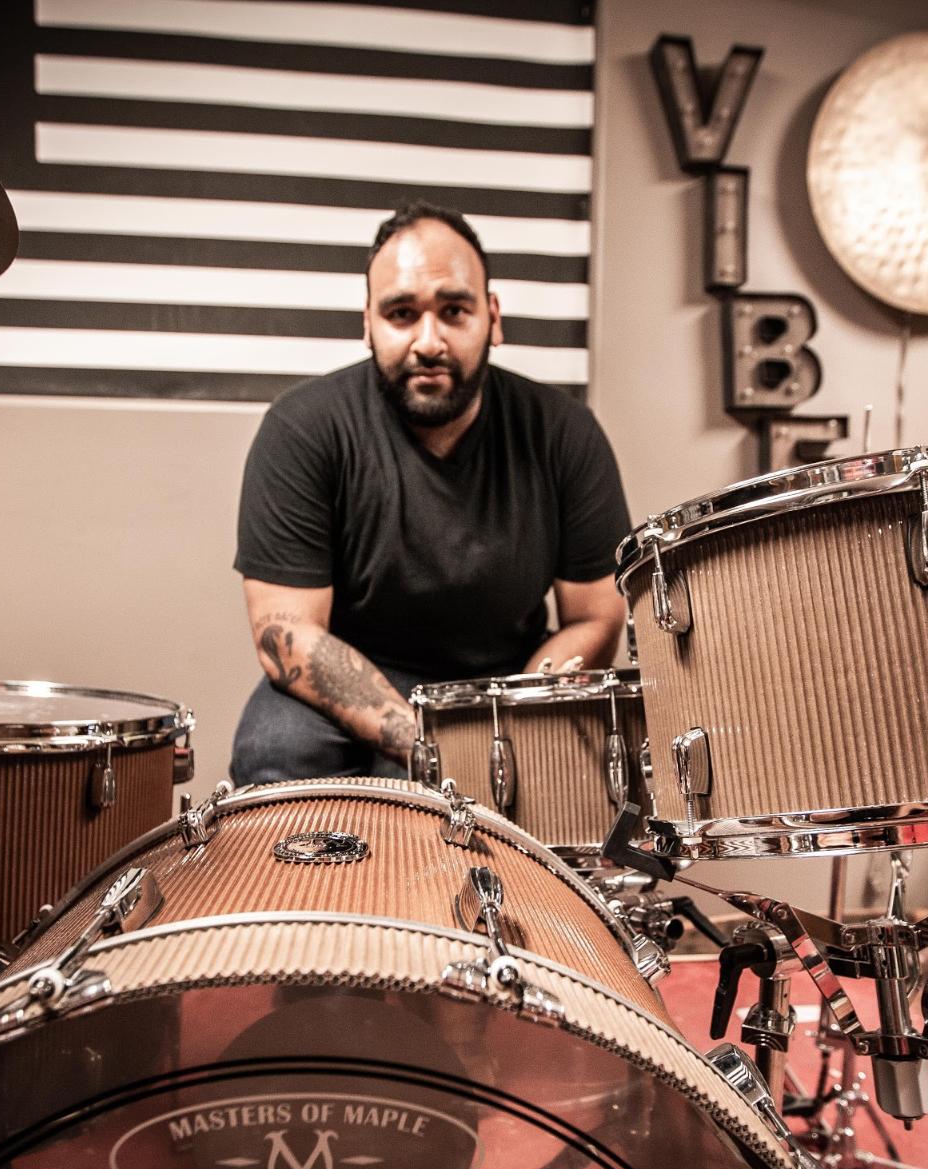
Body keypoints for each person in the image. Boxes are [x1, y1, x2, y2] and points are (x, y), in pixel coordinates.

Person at [230, 201, 632, 784]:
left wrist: (509, 724)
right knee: (275, 749)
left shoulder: (563, 432)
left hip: (508, 678)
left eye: (453, 311)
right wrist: (432, 750)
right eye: (401, 313)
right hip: (351, 672)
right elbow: (286, 635)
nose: (428, 341)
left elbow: (595, 617)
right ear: (367, 321)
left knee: (598, 777)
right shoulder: (302, 429)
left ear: (492, 316)